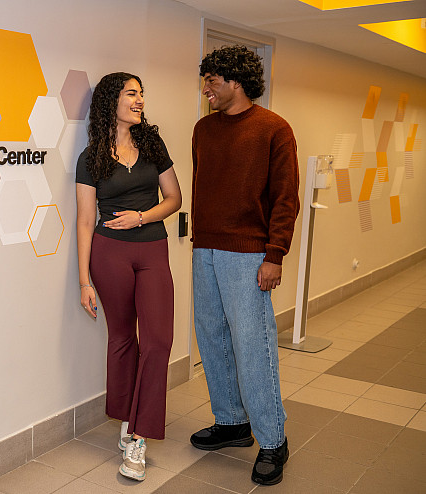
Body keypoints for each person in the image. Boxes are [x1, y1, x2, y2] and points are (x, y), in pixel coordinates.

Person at [189, 45, 300, 486]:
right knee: (212, 338)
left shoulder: (274, 129)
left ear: (236, 81)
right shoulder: (202, 129)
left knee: (253, 346)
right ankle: (233, 422)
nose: (206, 89)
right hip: (206, 250)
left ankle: (273, 440)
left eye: (212, 80)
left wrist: (275, 254)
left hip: (250, 253)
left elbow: (285, 199)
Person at [76, 72, 181, 482]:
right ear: (111, 102)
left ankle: (138, 436)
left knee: (157, 341)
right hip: (109, 254)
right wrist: (84, 280)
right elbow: (86, 220)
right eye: (132, 93)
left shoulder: (153, 144)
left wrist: (142, 216)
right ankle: (126, 416)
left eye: (141, 94)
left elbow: (174, 198)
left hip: (152, 247)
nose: (139, 100)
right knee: (121, 338)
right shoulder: (91, 158)